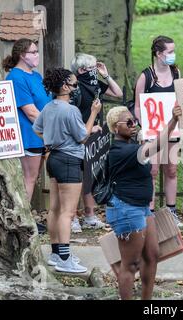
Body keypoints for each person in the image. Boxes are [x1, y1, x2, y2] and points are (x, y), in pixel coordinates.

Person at [105, 104, 182, 299]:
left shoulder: (131, 146)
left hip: (141, 208)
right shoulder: (119, 151)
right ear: (115, 128)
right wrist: (173, 121)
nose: (133, 125)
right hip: (126, 209)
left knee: (152, 255)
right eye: (128, 122)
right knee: (130, 264)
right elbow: (157, 145)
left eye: (135, 121)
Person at [33, 68, 102, 273]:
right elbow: (82, 136)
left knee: (54, 208)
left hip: (53, 158)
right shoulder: (70, 110)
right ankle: (64, 257)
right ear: (64, 86)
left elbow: (37, 129)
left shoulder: (49, 107)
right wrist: (94, 114)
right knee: (68, 212)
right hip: (70, 160)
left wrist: (51, 142)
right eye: (74, 84)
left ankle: (56, 253)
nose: (76, 87)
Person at [69, 53, 124, 233]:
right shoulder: (74, 88)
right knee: (76, 179)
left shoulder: (95, 85)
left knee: (90, 176)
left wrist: (105, 75)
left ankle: (90, 216)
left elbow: (118, 93)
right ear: (82, 70)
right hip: (78, 137)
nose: (95, 72)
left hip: (94, 139)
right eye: (92, 68)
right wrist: (87, 128)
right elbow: (70, 116)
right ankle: (72, 218)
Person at [134, 35, 183, 227]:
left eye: (173, 51)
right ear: (158, 53)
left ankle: (171, 212)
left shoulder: (176, 73)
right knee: (152, 171)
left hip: (173, 129)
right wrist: (144, 127)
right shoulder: (146, 77)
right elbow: (138, 107)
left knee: (171, 169)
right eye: (169, 52)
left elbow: (181, 99)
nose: (173, 55)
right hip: (153, 132)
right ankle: (150, 213)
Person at [3, 38, 51, 234]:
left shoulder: (36, 75)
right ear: (22, 55)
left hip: (41, 134)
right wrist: (54, 128)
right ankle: (22, 221)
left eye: (37, 51)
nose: (37, 55)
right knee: (28, 178)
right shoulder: (16, 77)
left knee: (34, 177)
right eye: (33, 52)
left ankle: (27, 216)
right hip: (28, 135)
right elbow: (31, 112)